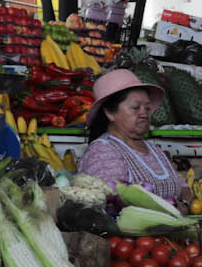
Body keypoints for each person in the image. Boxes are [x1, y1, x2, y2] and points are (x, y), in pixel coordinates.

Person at [77, 67, 184, 207]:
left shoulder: (155, 150)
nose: (144, 114)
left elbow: (184, 187)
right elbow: (113, 201)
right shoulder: (102, 152)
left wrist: (185, 204)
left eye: (147, 108)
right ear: (110, 113)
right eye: (135, 107)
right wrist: (171, 208)